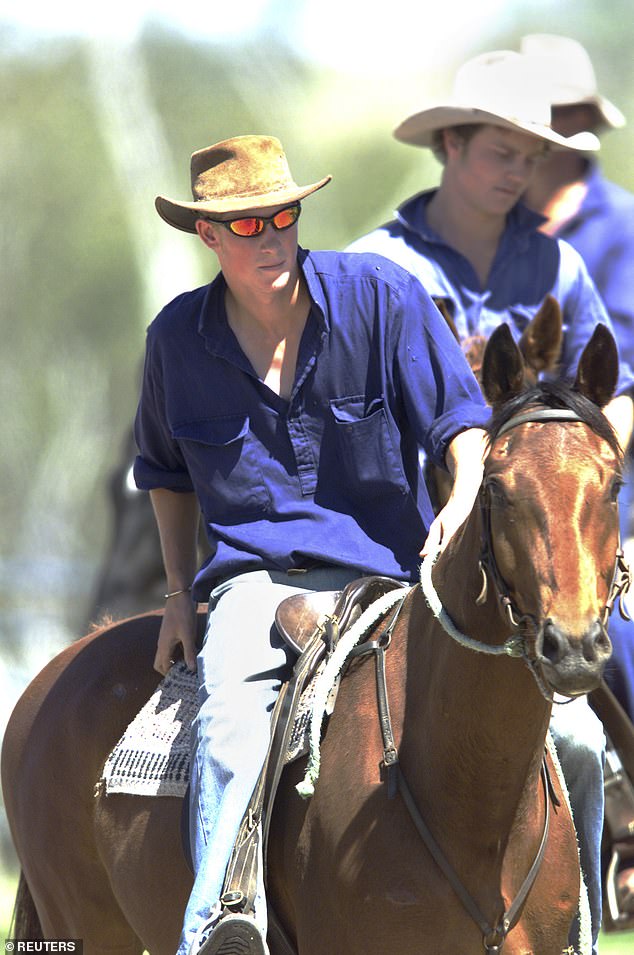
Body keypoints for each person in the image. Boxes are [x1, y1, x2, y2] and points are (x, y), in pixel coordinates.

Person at [133, 134, 491, 955]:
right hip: (254, 587)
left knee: (555, 729)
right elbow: (164, 472)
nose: (273, 238)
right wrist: (179, 593)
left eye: (284, 215)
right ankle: (222, 925)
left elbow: (464, 426)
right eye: (248, 225)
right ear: (208, 237)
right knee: (227, 731)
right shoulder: (173, 342)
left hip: (395, 581)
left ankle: (567, 927)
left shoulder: (382, 296)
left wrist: (464, 502)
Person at [345, 50, 634, 952]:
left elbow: (606, 395)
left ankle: (578, 925)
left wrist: (595, 502)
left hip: (527, 578)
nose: (518, 169)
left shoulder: (554, 266)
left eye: (529, 152)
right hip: (395, 563)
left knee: (583, 745)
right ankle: (249, 902)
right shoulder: (375, 269)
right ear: (450, 145)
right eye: (498, 150)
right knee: (286, 729)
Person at [520, 31, 634, 923]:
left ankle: (623, 835)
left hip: (614, 489)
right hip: (521, 496)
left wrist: (607, 499)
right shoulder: (498, 235)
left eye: (550, 121)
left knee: (620, 636)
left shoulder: (622, 230)